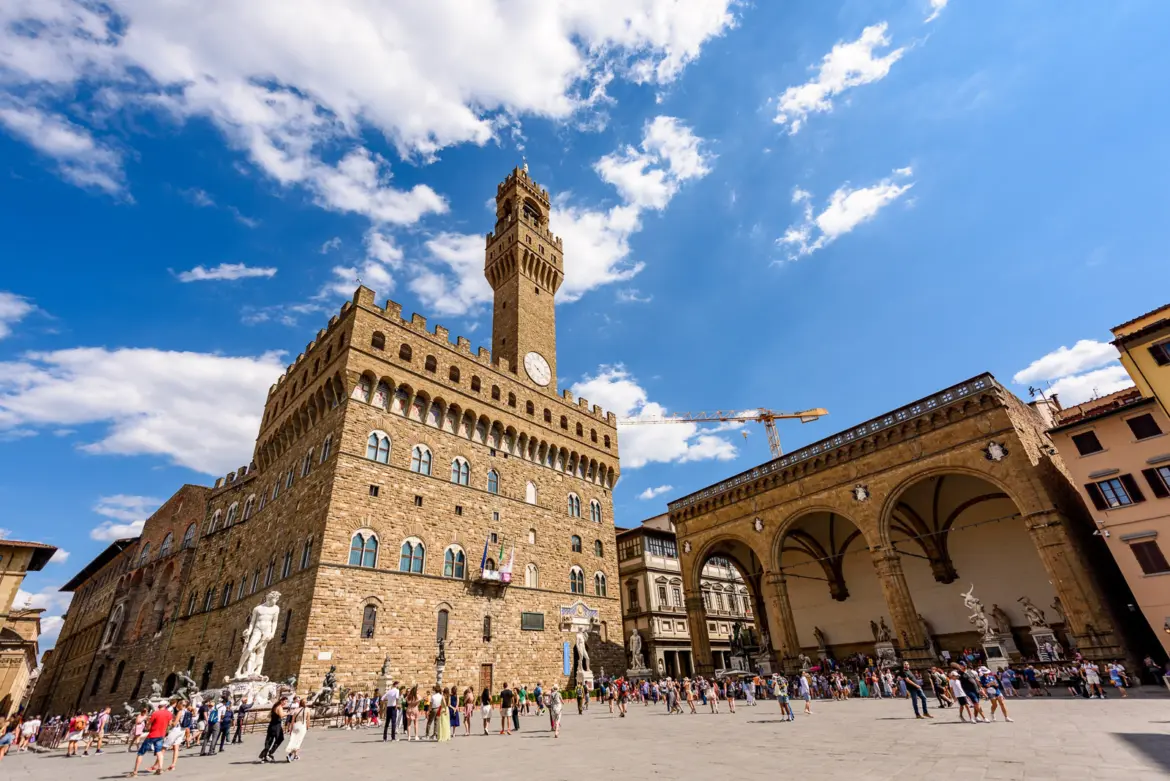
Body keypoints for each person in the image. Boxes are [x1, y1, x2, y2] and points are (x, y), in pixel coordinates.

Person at [129, 704, 174, 777]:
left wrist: (148, 725)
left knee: (140, 753)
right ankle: (160, 768)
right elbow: (170, 724)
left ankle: (135, 772)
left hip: (152, 735)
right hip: (161, 735)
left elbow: (148, 726)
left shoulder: (155, 713)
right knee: (159, 751)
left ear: (159, 707)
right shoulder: (169, 713)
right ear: (165, 706)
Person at [258, 697, 287, 762]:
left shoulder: (274, 706)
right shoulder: (279, 707)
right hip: (277, 726)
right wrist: (288, 713)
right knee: (280, 738)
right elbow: (282, 715)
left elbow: (268, 716)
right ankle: (270, 753)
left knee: (269, 741)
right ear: (281, 701)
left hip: (271, 725)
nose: (285, 703)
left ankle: (264, 755)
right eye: (285, 701)